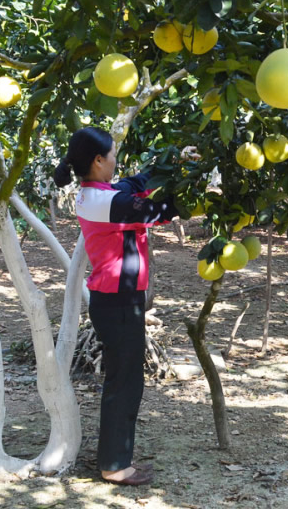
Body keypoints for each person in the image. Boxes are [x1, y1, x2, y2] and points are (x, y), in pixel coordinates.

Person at [53, 127, 179, 486]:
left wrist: (176, 160)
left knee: (124, 380)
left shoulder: (100, 193)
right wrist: (203, 190)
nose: (115, 161)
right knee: (124, 382)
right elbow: (160, 211)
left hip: (119, 301)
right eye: (111, 155)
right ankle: (114, 465)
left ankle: (115, 458)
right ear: (97, 161)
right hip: (119, 303)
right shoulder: (103, 202)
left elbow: (136, 182)